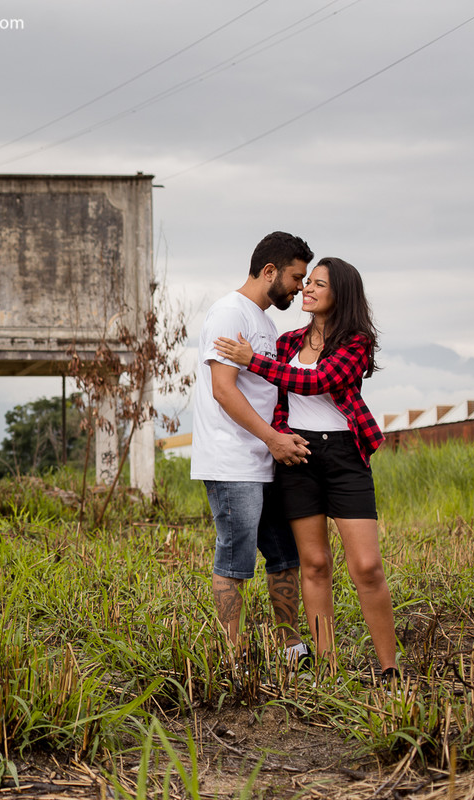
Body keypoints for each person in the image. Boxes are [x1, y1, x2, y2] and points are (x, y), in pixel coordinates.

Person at [214, 256, 397, 680]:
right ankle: (328, 666)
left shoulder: (356, 342)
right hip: (299, 456)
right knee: (313, 564)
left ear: (341, 294)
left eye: (318, 285)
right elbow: (276, 399)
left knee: (366, 566)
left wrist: (251, 360)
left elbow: (316, 381)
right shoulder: (287, 342)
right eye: (307, 282)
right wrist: (278, 435)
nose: (307, 290)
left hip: (344, 457)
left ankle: (390, 668)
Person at [190, 231, 314, 667]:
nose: (301, 288)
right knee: (236, 553)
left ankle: (291, 646)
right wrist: (273, 439)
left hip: (266, 458)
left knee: (284, 554)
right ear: (269, 271)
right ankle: (231, 651)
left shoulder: (264, 321)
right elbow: (223, 390)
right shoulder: (228, 313)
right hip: (232, 459)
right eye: (297, 278)